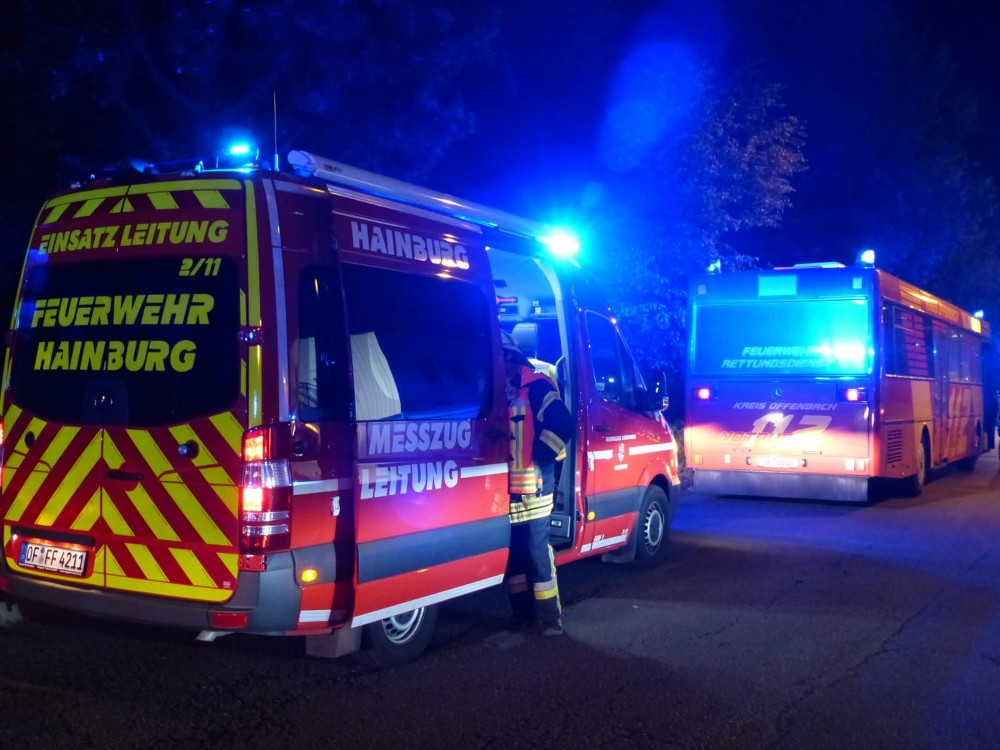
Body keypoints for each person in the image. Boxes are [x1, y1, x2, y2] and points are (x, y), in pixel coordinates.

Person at [501, 330, 573, 636]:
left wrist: (541, 454)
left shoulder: (536, 385)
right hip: (507, 490)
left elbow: (562, 423)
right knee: (513, 555)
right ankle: (522, 614)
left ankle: (550, 617)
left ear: (509, 357)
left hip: (535, 484)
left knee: (535, 551)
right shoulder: (499, 390)